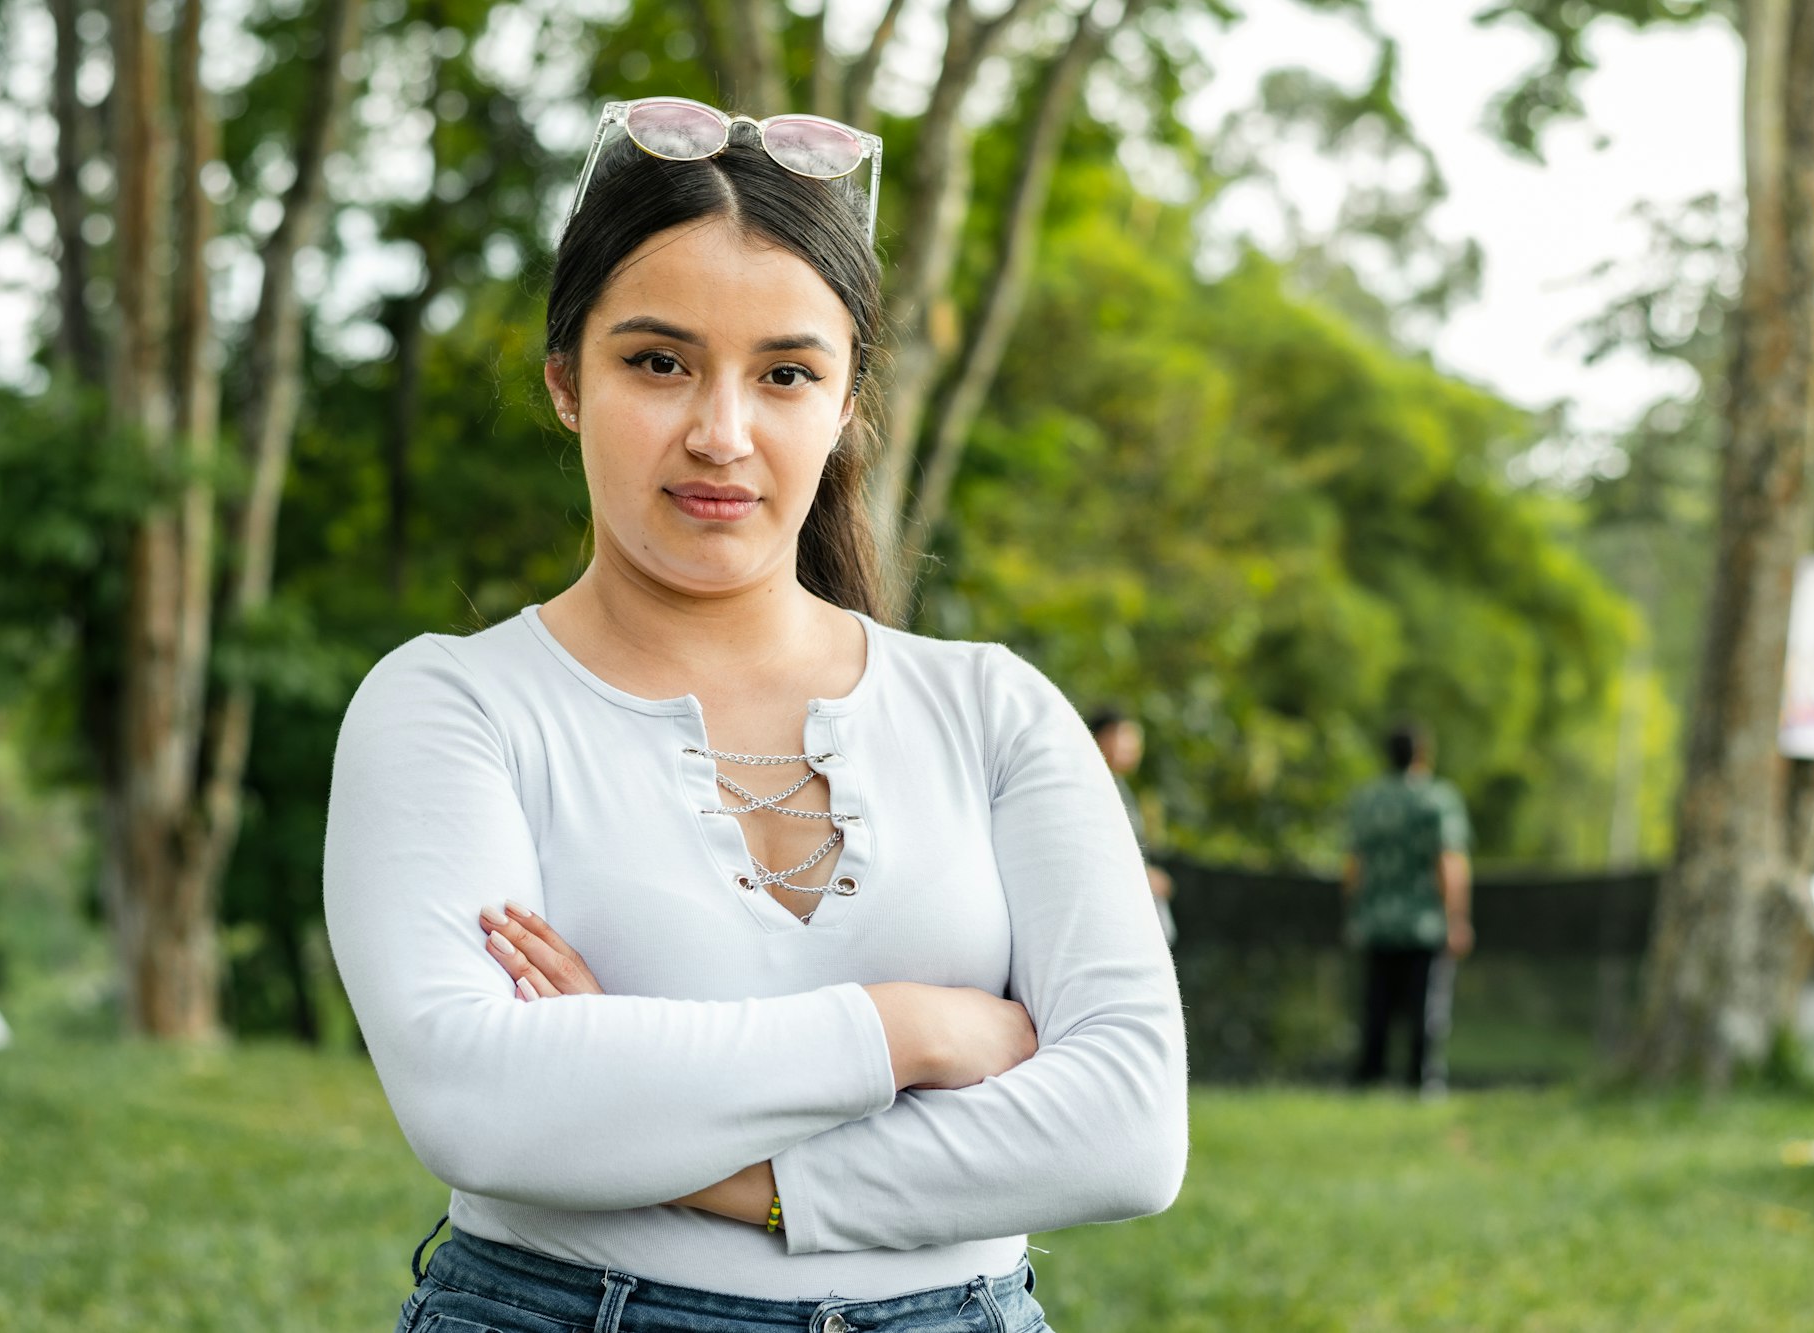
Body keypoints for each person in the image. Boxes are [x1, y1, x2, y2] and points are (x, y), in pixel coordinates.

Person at [323, 95, 1186, 1333]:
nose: (719, 434)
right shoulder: (453, 705)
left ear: (843, 407)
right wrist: (911, 1031)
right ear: (567, 379)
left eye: (785, 373)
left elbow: (1125, 1132)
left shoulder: (993, 709)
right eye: (657, 362)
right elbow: (482, 1104)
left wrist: (711, 1157)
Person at [1341, 721, 1472, 1093]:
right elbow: (1449, 864)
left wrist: (1354, 913)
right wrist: (1457, 919)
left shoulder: (1368, 800)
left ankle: (1369, 1076)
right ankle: (1423, 1080)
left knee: (1375, 1005)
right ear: (1422, 754)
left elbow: (1354, 866)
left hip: (1376, 921)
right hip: (1423, 923)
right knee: (1426, 1007)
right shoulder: (1436, 799)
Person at [1087, 708, 1176, 946]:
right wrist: (1141, 877)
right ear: (1098, 737)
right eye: (1124, 736)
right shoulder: (1091, 785)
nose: (1133, 746)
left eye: (1136, 738)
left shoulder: (1121, 787)